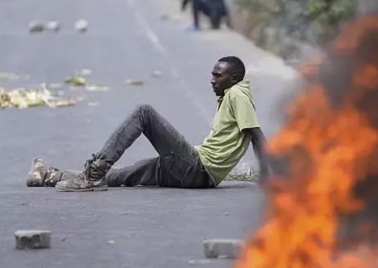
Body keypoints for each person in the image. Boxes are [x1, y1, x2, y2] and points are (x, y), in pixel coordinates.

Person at [26, 56, 268, 192]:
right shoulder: (230, 94)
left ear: (233, 78)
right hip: (193, 170)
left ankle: (93, 172)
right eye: (212, 74)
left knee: (144, 113)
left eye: (218, 75)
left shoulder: (237, 94)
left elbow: (256, 135)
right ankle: (49, 176)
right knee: (119, 177)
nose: (212, 79)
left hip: (197, 169)